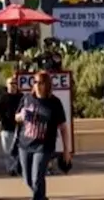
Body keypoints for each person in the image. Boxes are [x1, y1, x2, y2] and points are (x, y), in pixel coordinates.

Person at [13, 71, 70, 200]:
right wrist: (21, 116)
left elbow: (63, 128)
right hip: (25, 144)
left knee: (37, 178)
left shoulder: (54, 103)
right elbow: (16, 117)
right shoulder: (27, 98)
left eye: (41, 83)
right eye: (35, 82)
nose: (38, 85)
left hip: (44, 146)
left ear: (47, 85)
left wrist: (66, 150)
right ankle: (41, 197)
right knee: (27, 179)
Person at [0, 75, 24, 176]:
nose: (13, 86)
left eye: (15, 83)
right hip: (6, 127)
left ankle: (17, 167)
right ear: (7, 85)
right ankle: (11, 169)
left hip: (20, 128)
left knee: (19, 150)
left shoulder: (21, 97)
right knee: (8, 150)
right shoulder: (3, 97)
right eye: (11, 83)